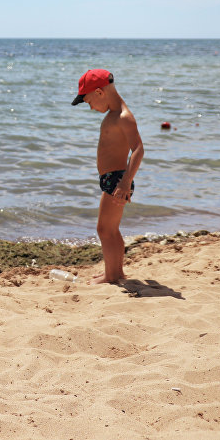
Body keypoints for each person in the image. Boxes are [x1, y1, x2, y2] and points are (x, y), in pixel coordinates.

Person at [71, 69, 144, 284]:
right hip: (114, 179)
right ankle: (116, 272)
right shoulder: (113, 115)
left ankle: (112, 276)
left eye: (88, 101)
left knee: (104, 229)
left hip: (118, 180)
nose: (91, 107)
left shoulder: (123, 117)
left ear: (100, 92)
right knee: (111, 229)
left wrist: (125, 182)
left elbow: (138, 149)